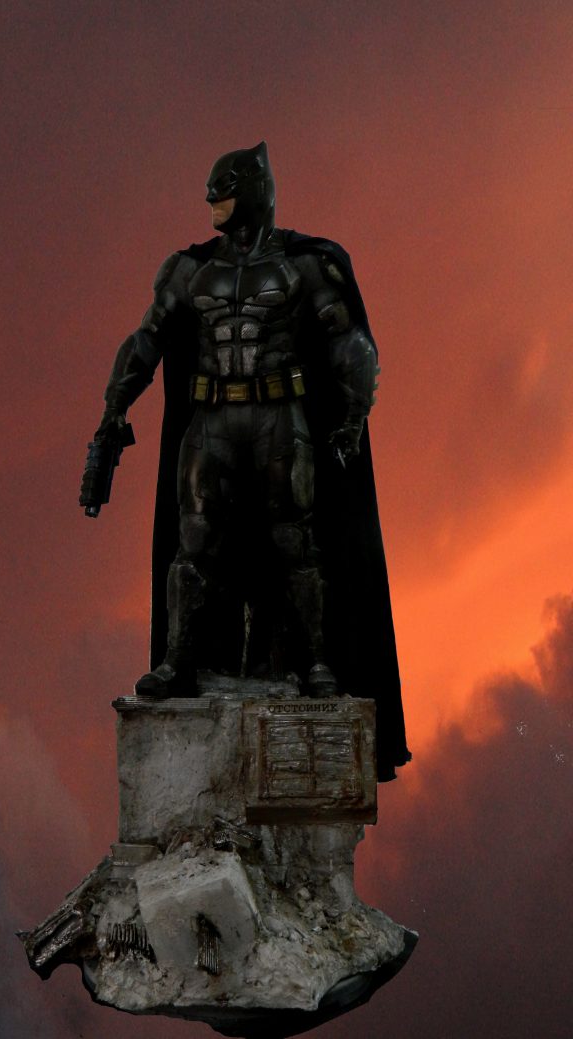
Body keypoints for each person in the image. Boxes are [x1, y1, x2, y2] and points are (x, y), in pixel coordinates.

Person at [81, 142, 410, 779]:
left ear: (254, 192)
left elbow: (349, 344)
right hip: (210, 420)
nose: (215, 206)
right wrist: (113, 410)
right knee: (194, 542)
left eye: (226, 195)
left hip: (280, 416)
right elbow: (147, 340)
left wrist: (352, 416)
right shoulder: (188, 270)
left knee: (295, 541)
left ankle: (315, 661)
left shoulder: (306, 264)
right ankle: (179, 660)